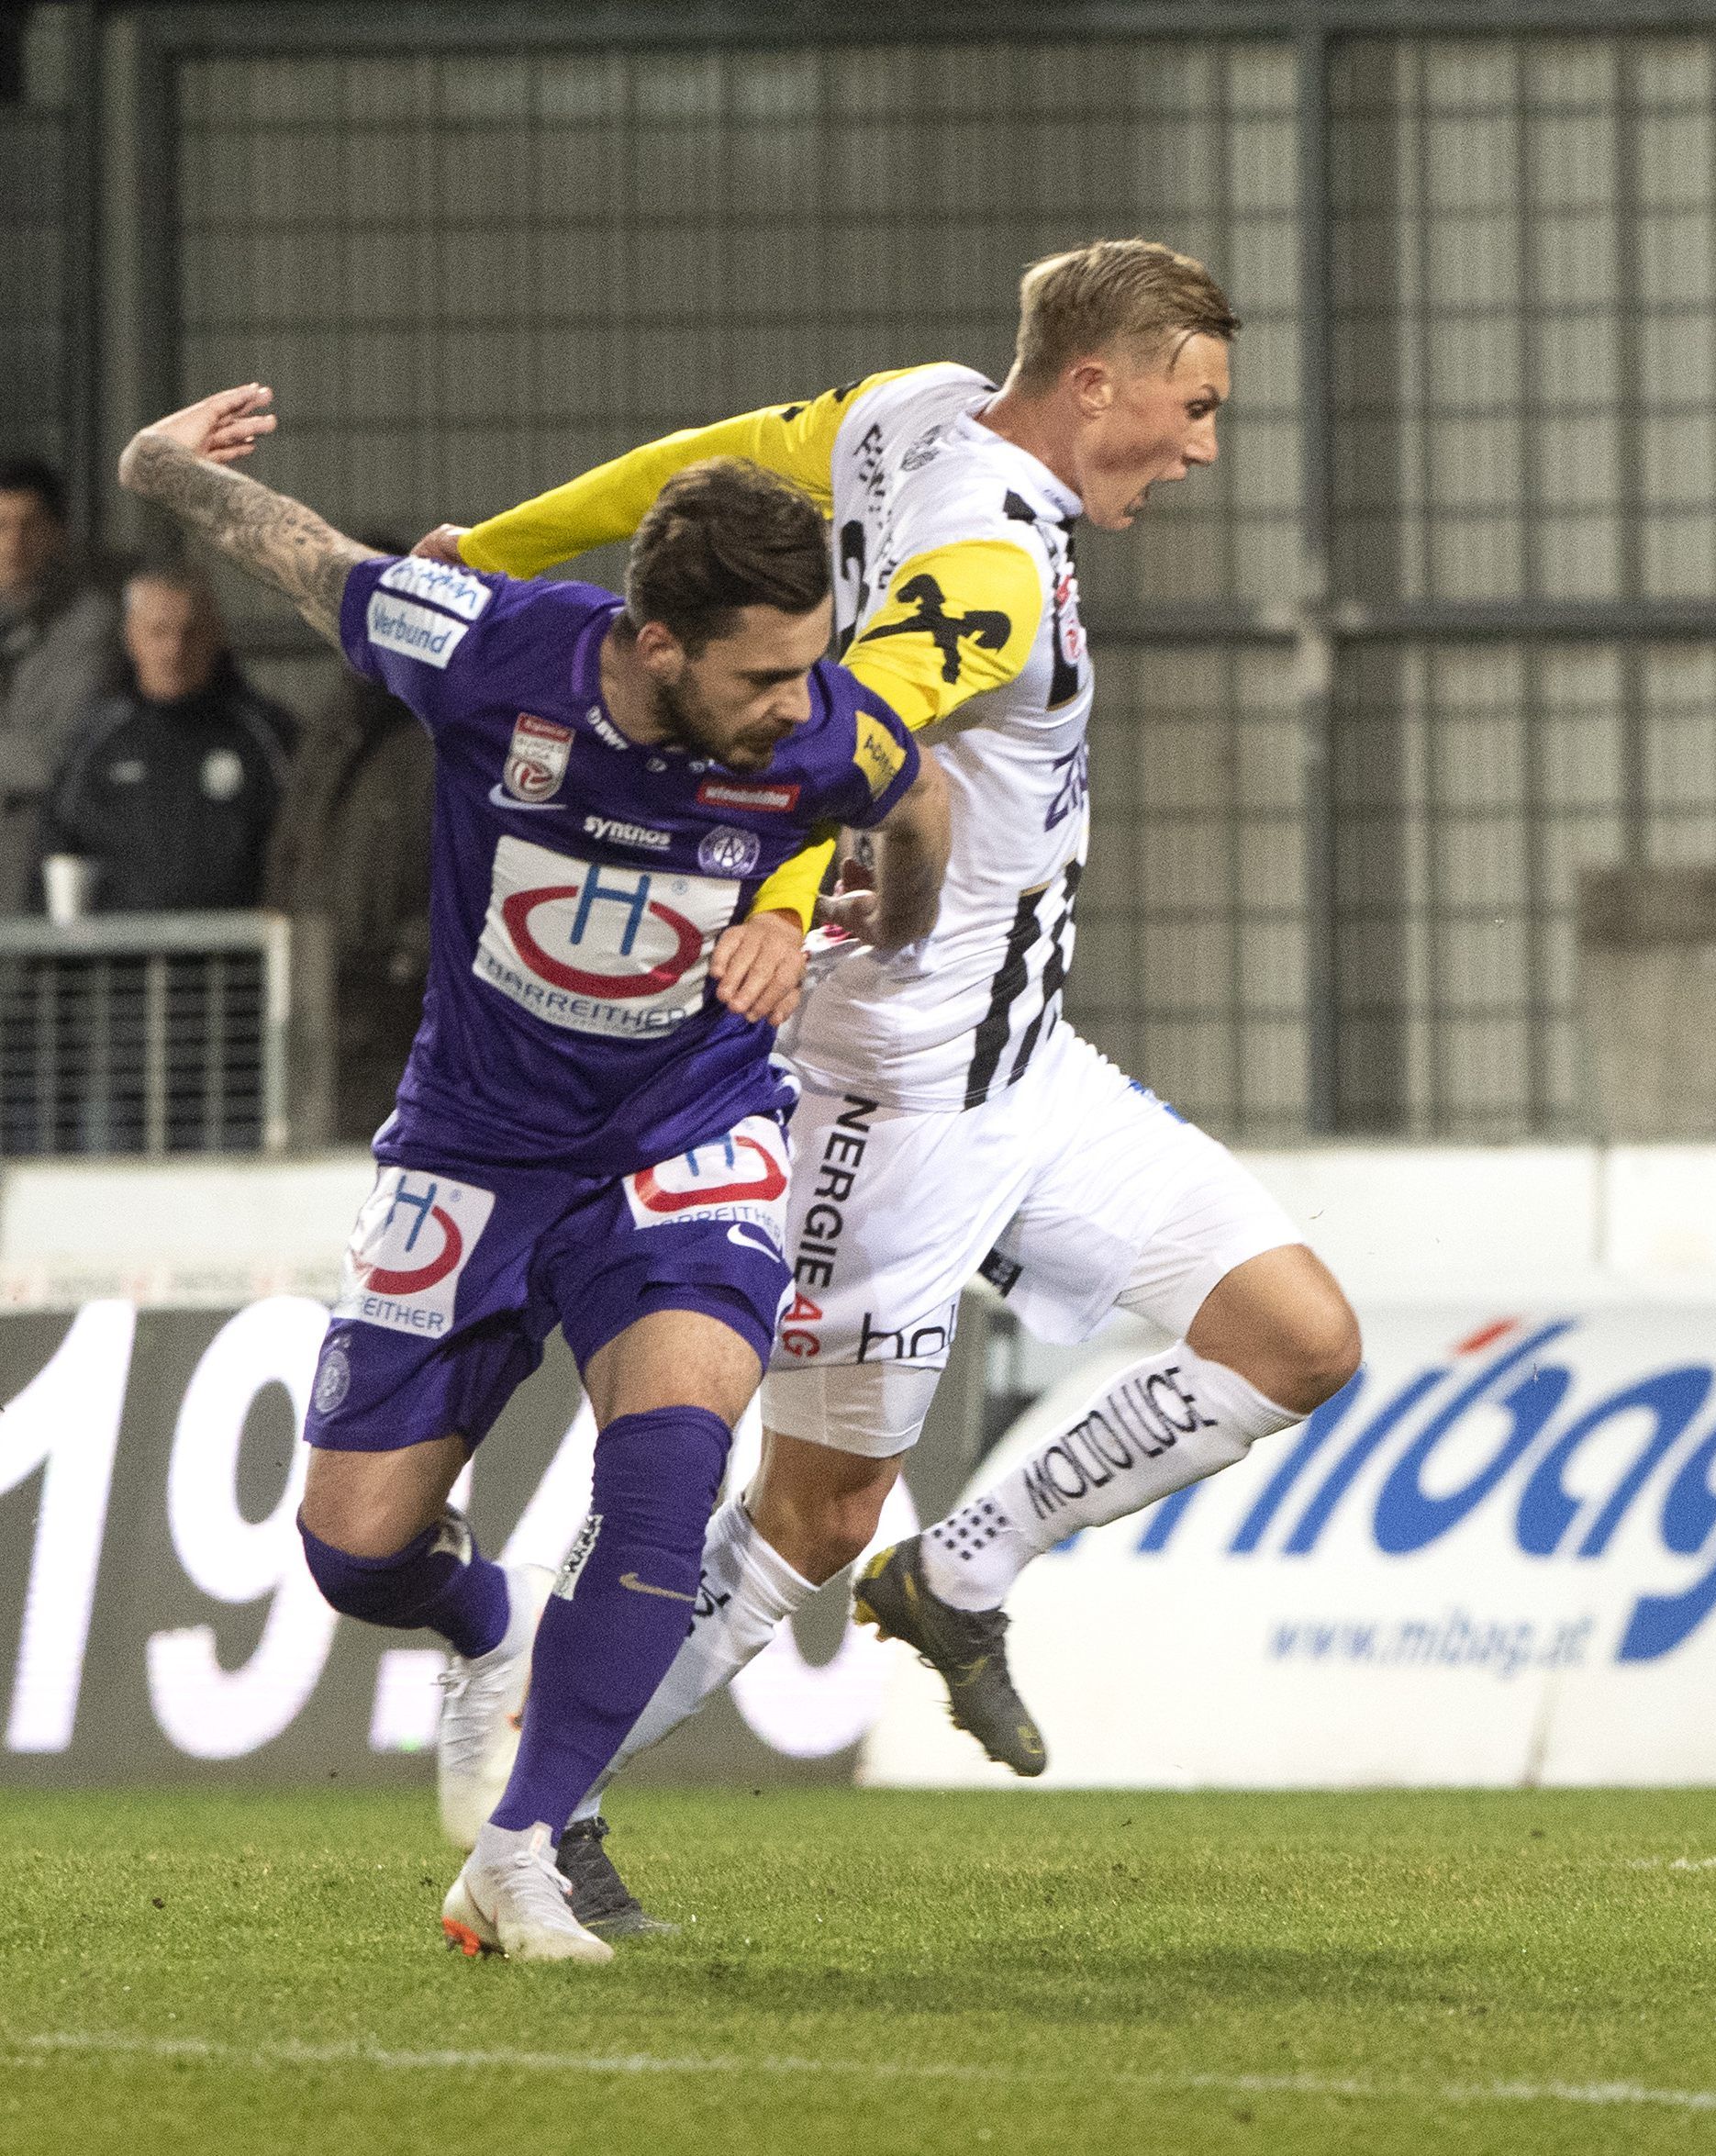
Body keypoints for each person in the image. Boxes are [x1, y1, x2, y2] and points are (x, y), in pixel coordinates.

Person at [422, 238, 1363, 1924]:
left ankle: (966, 1568)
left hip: (1032, 1067)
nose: (1206, 443)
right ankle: (537, 1813)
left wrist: (497, 547)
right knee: (805, 1516)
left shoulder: (905, 412)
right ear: (1100, 382)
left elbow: (686, 473)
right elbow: (855, 733)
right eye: (1194, 404)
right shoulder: (990, 563)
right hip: (893, 1093)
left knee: (1296, 1337)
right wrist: (783, 900)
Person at [117, 380, 948, 1962]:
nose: (796, 702)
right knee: (355, 1547)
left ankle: (518, 1849)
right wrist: (156, 466)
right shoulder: (488, 651)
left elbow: (919, 802)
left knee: (668, 1457)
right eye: (760, 674)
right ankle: (481, 1629)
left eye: (809, 664)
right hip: (474, 1149)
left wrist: (837, 920)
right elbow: (301, 552)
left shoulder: (819, 725)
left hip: (682, 1132)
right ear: (650, 647)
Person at [263, 541, 434, 1141]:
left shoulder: (452, 733)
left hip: (407, 1025)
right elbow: (289, 854)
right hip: (324, 1019)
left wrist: (407, 962)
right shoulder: (330, 729)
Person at [43, 566, 292, 912]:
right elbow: (56, 850)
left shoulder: (263, 735)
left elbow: (299, 849)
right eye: (159, 632)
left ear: (215, 636)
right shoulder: (94, 740)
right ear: (132, 637)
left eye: (189, 633)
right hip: (121, 961)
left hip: (233, 960)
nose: (174, 650)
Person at [0, 456, 123, 909]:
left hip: (38, 864)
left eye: (28, 526)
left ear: (56, 534)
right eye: (1, 526)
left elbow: (63, 755)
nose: (13, 544)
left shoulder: (91, 627)